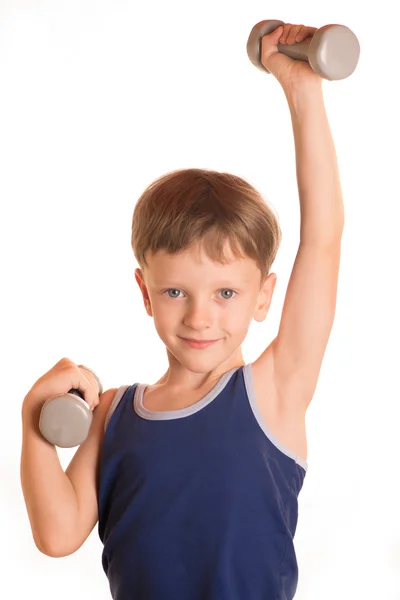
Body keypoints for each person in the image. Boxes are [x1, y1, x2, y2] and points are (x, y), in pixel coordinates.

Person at [21, 23, 345, 600]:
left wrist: (302, 89)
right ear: (145, 293)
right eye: (176, 293)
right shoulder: (110, 414)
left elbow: (322, 235)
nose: (200, 317)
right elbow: (57, 534)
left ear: (264, 296)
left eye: (226, 294)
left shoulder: (274, 390)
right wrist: (35, 427)